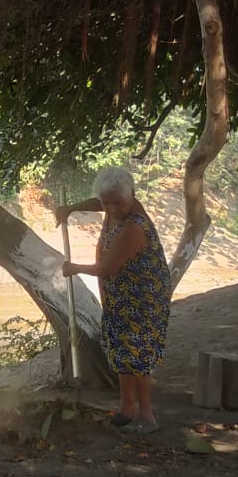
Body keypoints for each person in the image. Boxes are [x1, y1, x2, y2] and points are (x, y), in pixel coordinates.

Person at [55, 166, 172, 435]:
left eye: (118, 203)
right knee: (121, 352)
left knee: (137, 356)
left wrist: (74, 268)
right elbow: (100, 202)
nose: (112, 209)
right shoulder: (111, 206)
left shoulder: (135, 227)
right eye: (107, 203)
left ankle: (147, 415)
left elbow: (107, 268)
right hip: (120, 297)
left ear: (132, 195)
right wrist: (71, 208)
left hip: (143, 300)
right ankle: (126, 408)